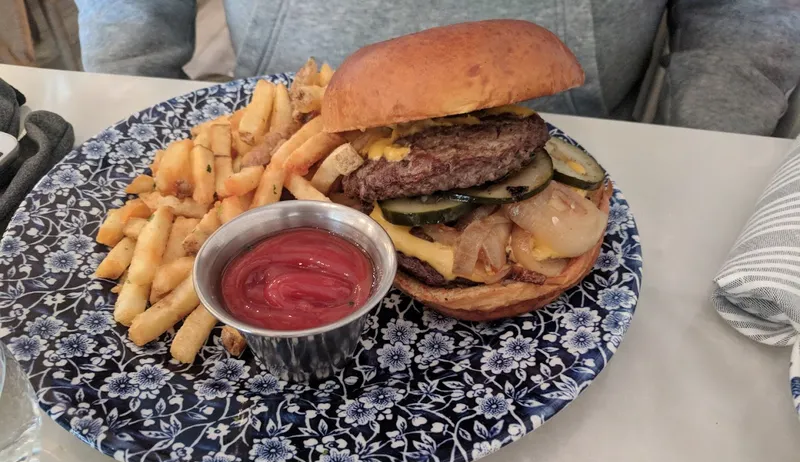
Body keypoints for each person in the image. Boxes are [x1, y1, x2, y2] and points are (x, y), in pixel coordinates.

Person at [73, 0, 799, 137]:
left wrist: (709, 149)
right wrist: (121, 104)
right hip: (298, 134)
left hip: (604, 133)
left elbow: (747, 11)